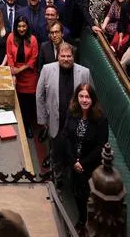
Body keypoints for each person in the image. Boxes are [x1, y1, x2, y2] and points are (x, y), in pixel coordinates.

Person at [36, 43, 92, 174]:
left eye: (69, 56)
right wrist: (43, 120)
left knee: (74, 153)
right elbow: (39, 95)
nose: (66, 59)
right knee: (56, 152)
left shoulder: (84, 72)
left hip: (77, 123)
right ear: (58, 56)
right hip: (56, 121)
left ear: (73, 56)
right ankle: (56, 176)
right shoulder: (47, 69)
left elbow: (91, 96)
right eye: (63, 56)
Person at [62, 83, 109, 233]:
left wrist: (82, 163)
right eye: (81, 96)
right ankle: (82, 220)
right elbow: (66, 136)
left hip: (91, 165)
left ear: (92, 99)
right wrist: (73, 161)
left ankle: (90, 222)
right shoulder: (72, 112)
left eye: (87, 97)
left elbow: (100, 145)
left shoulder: (100, 119)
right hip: (74, 162)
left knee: (89, 196)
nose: (84, 100)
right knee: (77, 192)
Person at [7, 16, 39, 128]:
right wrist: (12, 70)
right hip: (14, 73)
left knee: (27, 104)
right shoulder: (11, 37)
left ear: (27, 27)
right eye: (19, 26)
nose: (21, 29)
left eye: (24, 26)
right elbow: (9, 55)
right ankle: (17, 126)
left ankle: (27, 126)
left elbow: (34, 58)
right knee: (17, 102)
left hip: (29, 75)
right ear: (16, 27)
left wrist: (19, 70)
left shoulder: (33, 39)